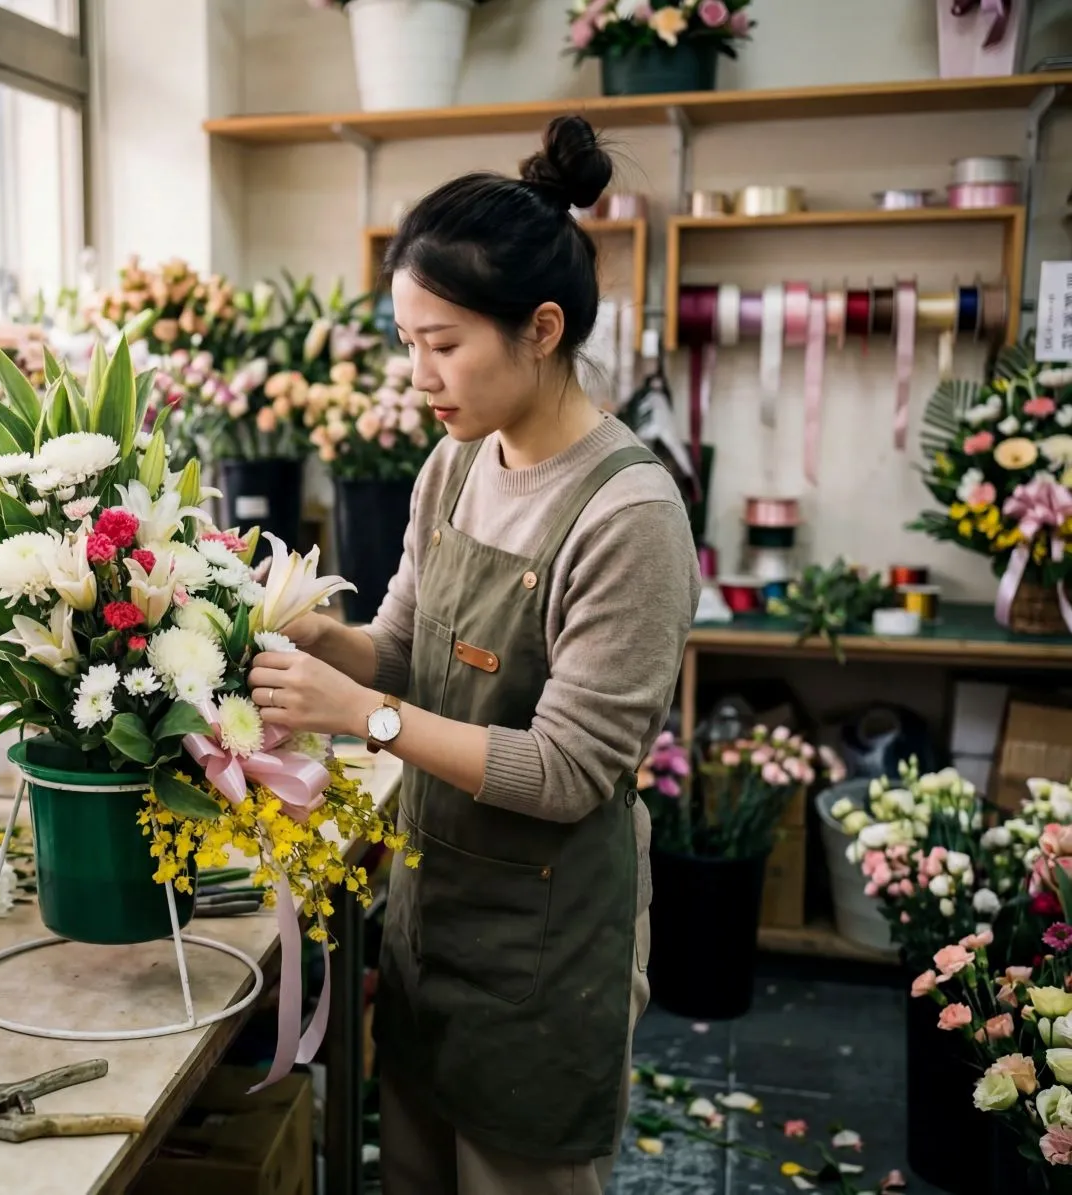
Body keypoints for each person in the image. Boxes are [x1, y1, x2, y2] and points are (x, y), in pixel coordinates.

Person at [247, 115, 700, 1195]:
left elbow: (566, 770)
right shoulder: (453, 468)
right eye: (408, 342)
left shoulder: (629, 516)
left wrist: (359, 716)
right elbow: (399, 649)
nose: (420, 375)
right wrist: (315, 635)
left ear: (541, 328)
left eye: (443, 344)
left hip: (545, 949)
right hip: (432, 915)